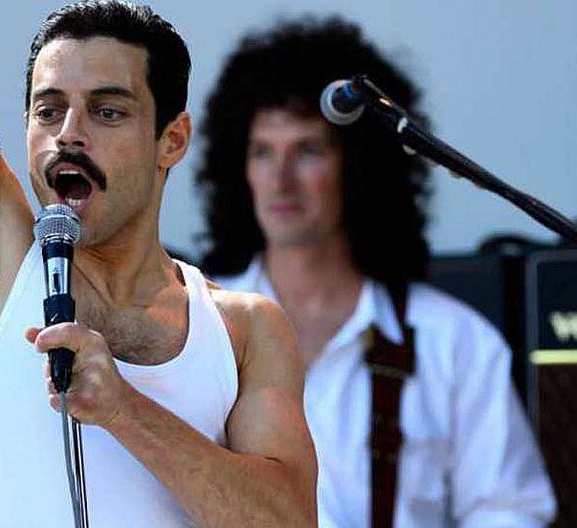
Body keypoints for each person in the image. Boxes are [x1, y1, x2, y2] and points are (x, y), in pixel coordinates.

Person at [0, 1, 317, 526]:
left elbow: (288, 520)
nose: (69, 134)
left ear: (172, 140)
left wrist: (124, 410)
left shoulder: (243, 328)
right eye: (48, 111)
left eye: (107, 111)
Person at [196, 16, 556, 527]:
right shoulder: (197, 327)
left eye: (308, 150)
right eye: (262, 152)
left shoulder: (455, 343)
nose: (281, 178)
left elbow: (510, 512)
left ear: (359, 167)